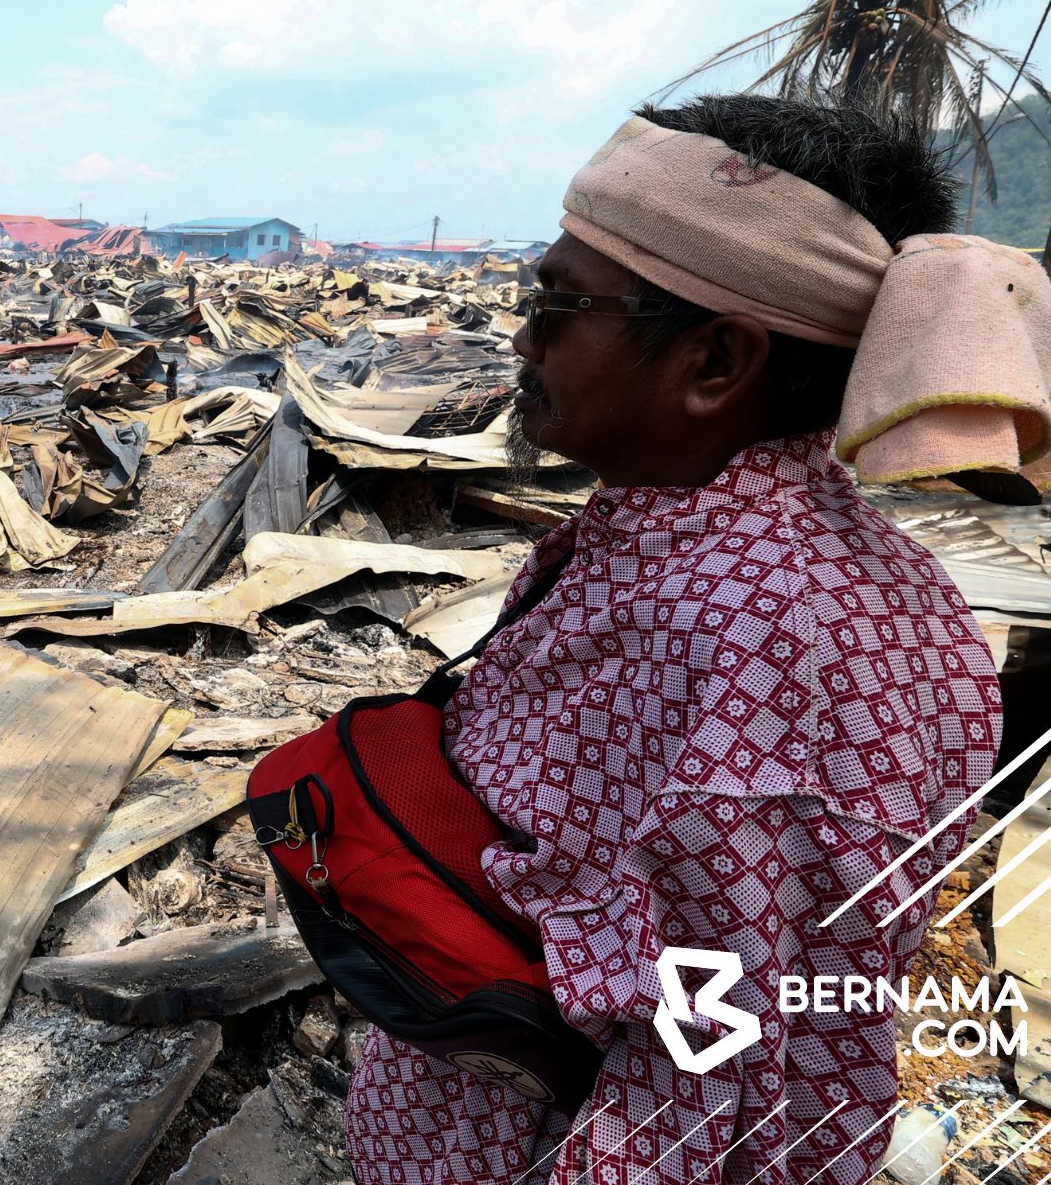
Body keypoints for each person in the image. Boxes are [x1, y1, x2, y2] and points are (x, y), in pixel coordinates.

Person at [343, 95, 1019, 1183]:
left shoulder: (765, 638)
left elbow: (719, 1059)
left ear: (714, 362)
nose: (522, 338)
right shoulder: (684, 541)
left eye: (558, 305)